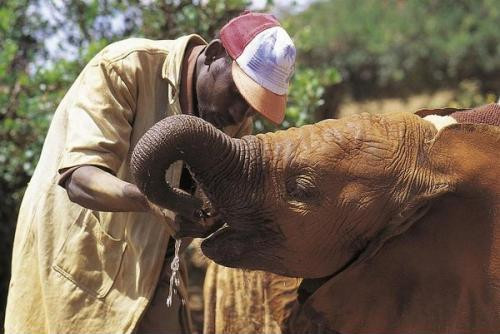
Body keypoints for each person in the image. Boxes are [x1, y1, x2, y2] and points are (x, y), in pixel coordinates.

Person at [4, 11, 296, 334]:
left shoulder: (236, 124)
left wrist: (212, 218)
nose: (241, 113)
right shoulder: (124, 67)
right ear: (213, 55)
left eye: (254, 106)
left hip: (154, 269)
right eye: (239, 93)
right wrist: (152, 200)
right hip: (80, 260)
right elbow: (79, 178)